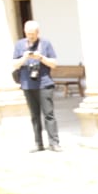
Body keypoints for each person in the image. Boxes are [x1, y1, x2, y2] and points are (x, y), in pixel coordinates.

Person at [11, 20, 61, 152]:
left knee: (49, 114)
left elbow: (54, 64)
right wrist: (24, 58)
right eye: (28, 34)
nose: (30, 36)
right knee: (34, 116)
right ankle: (38, 143)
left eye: (33, 34)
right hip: (27, 84)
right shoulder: (20, 45)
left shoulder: (45, 44)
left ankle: (54, 143)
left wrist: (41, 58)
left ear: (38, 32)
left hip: (44, 83)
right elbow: (15, 64)